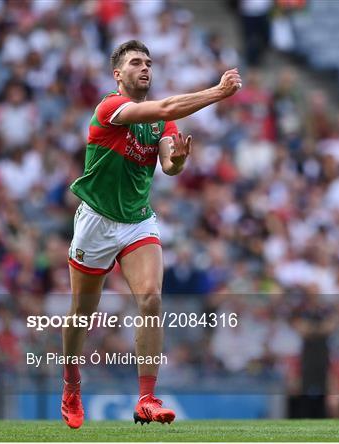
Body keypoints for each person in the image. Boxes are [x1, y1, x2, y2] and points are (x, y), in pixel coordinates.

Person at [61, 40, 242, 429]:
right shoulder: (110, 108)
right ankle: (72, 383)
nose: (144, 68)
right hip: (96, 220)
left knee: (151, 299)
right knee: (81, 314)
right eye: (135, 62)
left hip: (137, 221)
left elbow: (167, 163)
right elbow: (163, 108)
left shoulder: (163, 124)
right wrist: (218, 92)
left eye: (148, 62)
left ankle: (146, 398)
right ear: (118, 74)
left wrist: (176, 161)